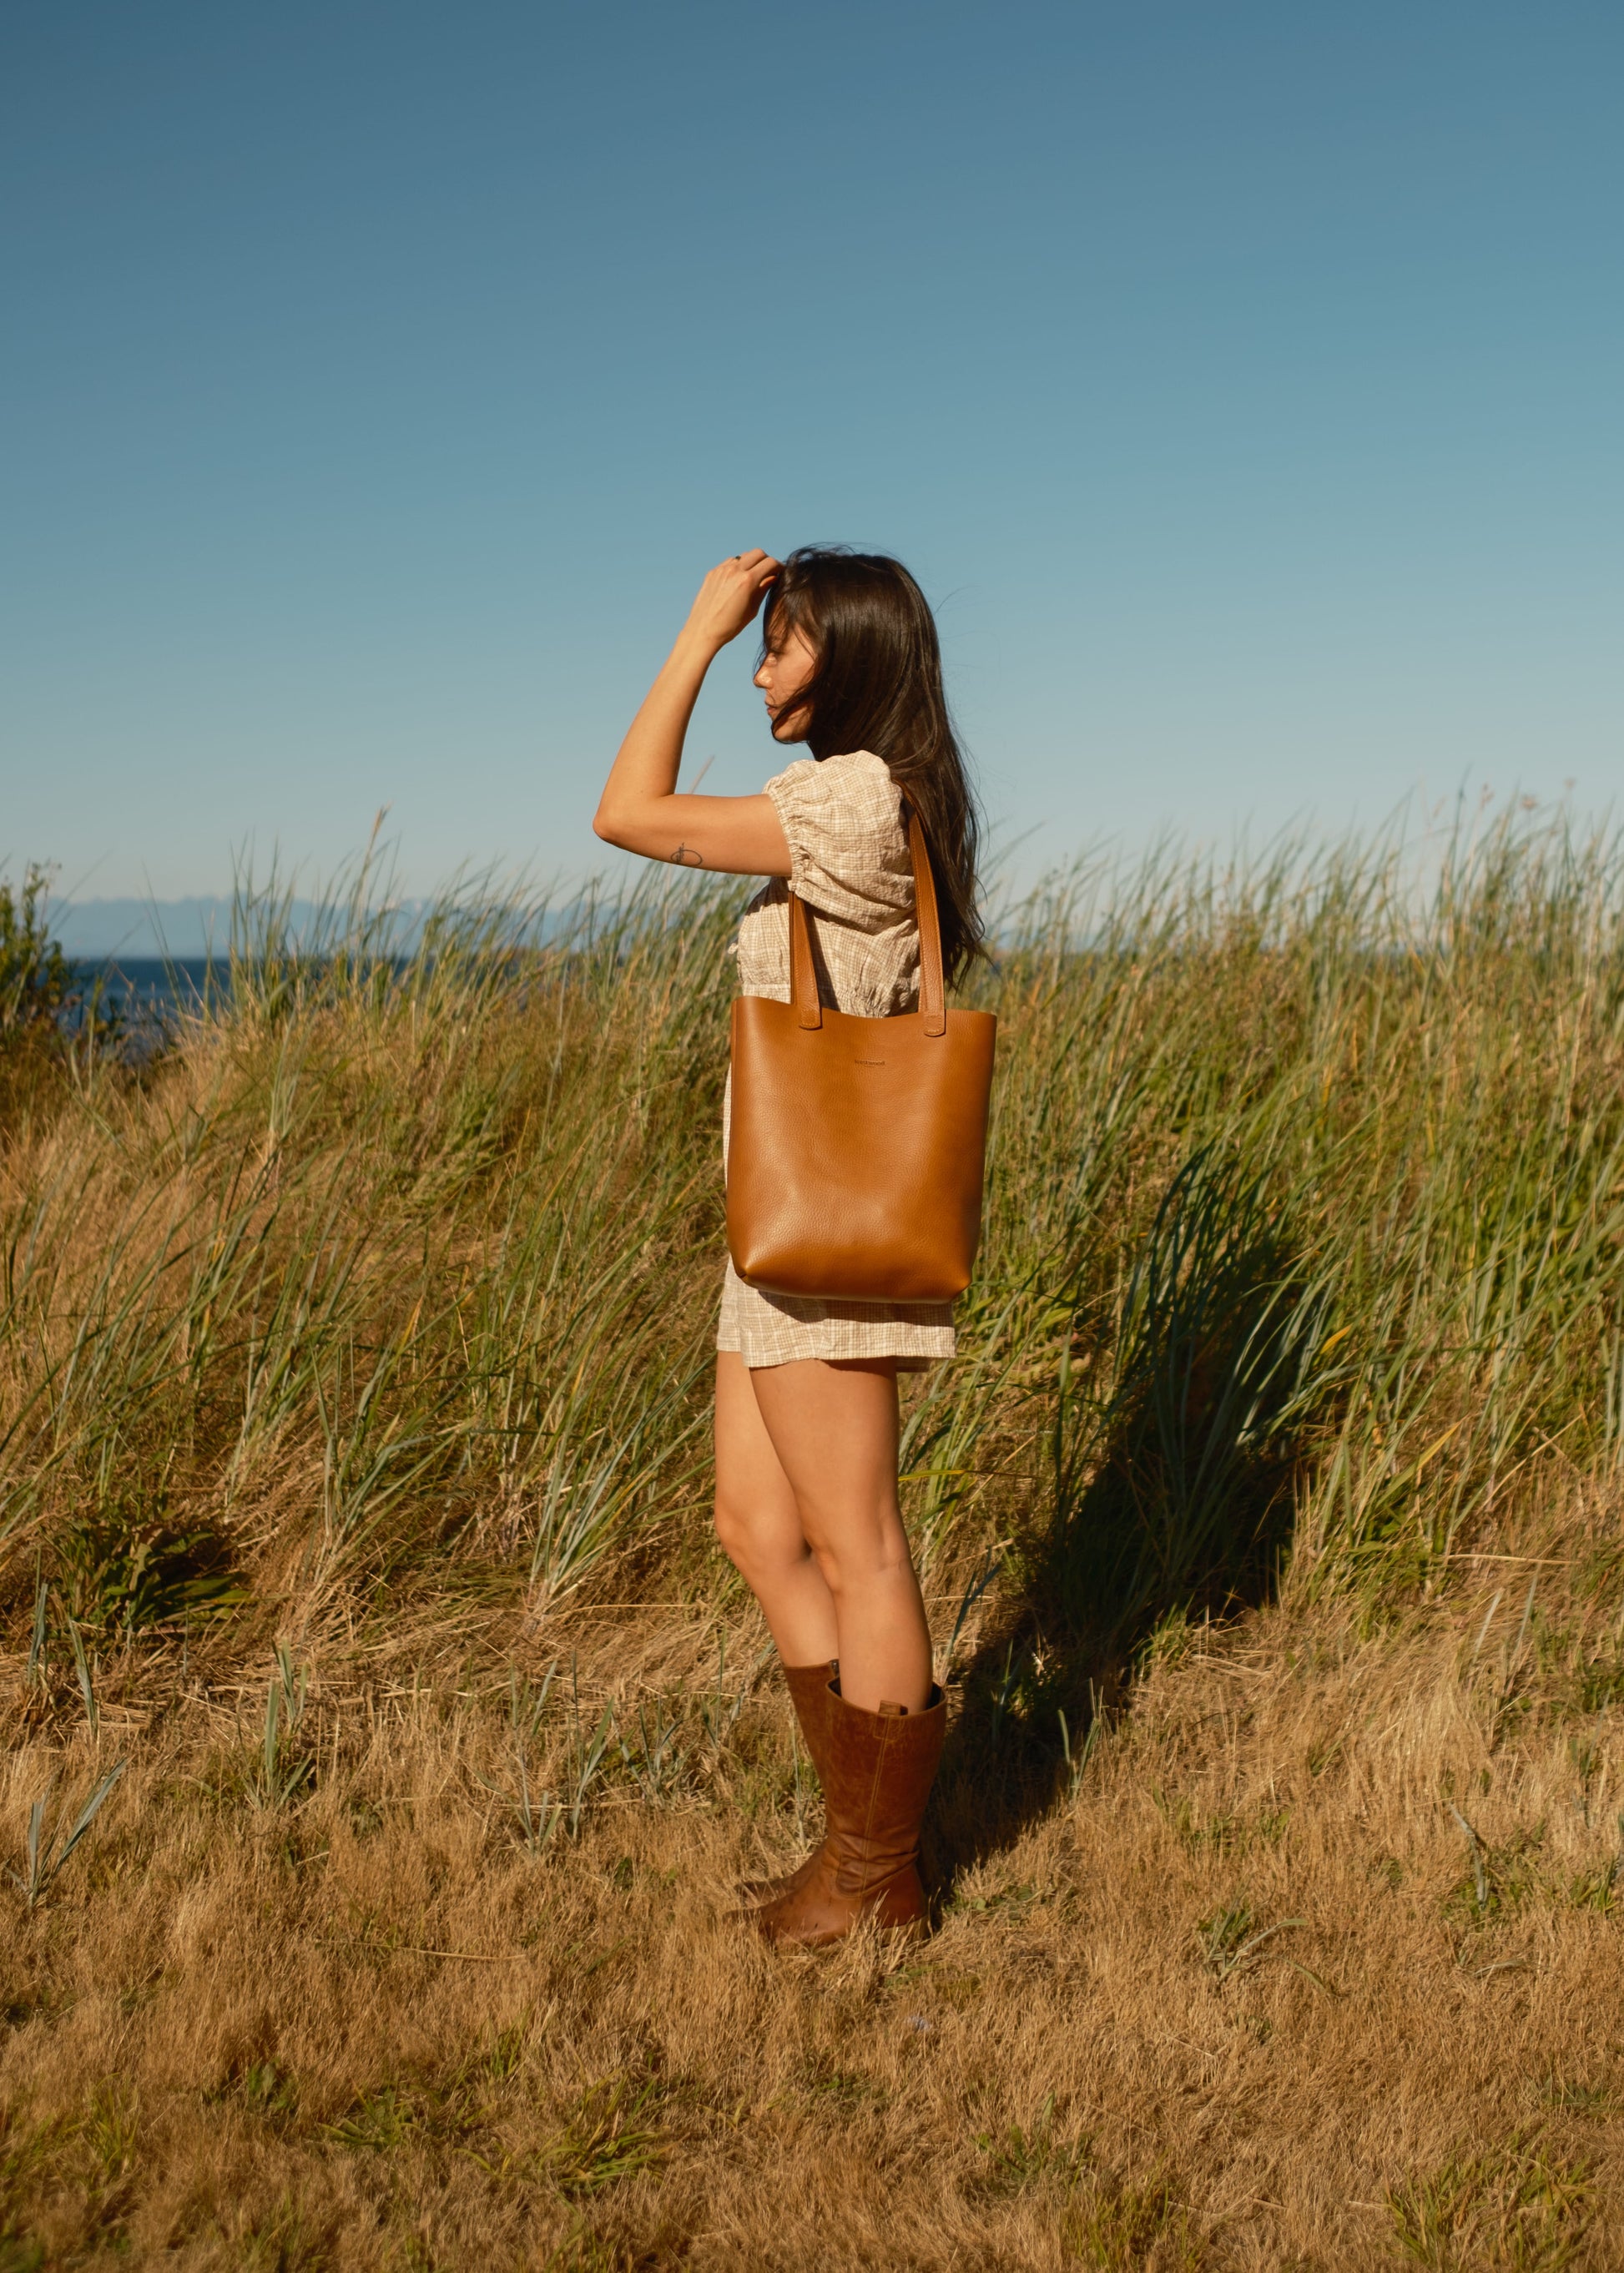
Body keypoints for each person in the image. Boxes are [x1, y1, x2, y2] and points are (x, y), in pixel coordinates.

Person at [594, 546, 984, 1945]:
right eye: (754, 639)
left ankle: (875, 1876)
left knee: (858, 1541)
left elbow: (625, 813)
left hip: (825, 1234)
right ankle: (858, 1856)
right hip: (773, 1232)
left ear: (856, 658)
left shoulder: (852, 798)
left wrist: (690, 632)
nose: (763, 663)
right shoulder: (857, 799)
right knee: (756, 1526)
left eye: (785, 641)